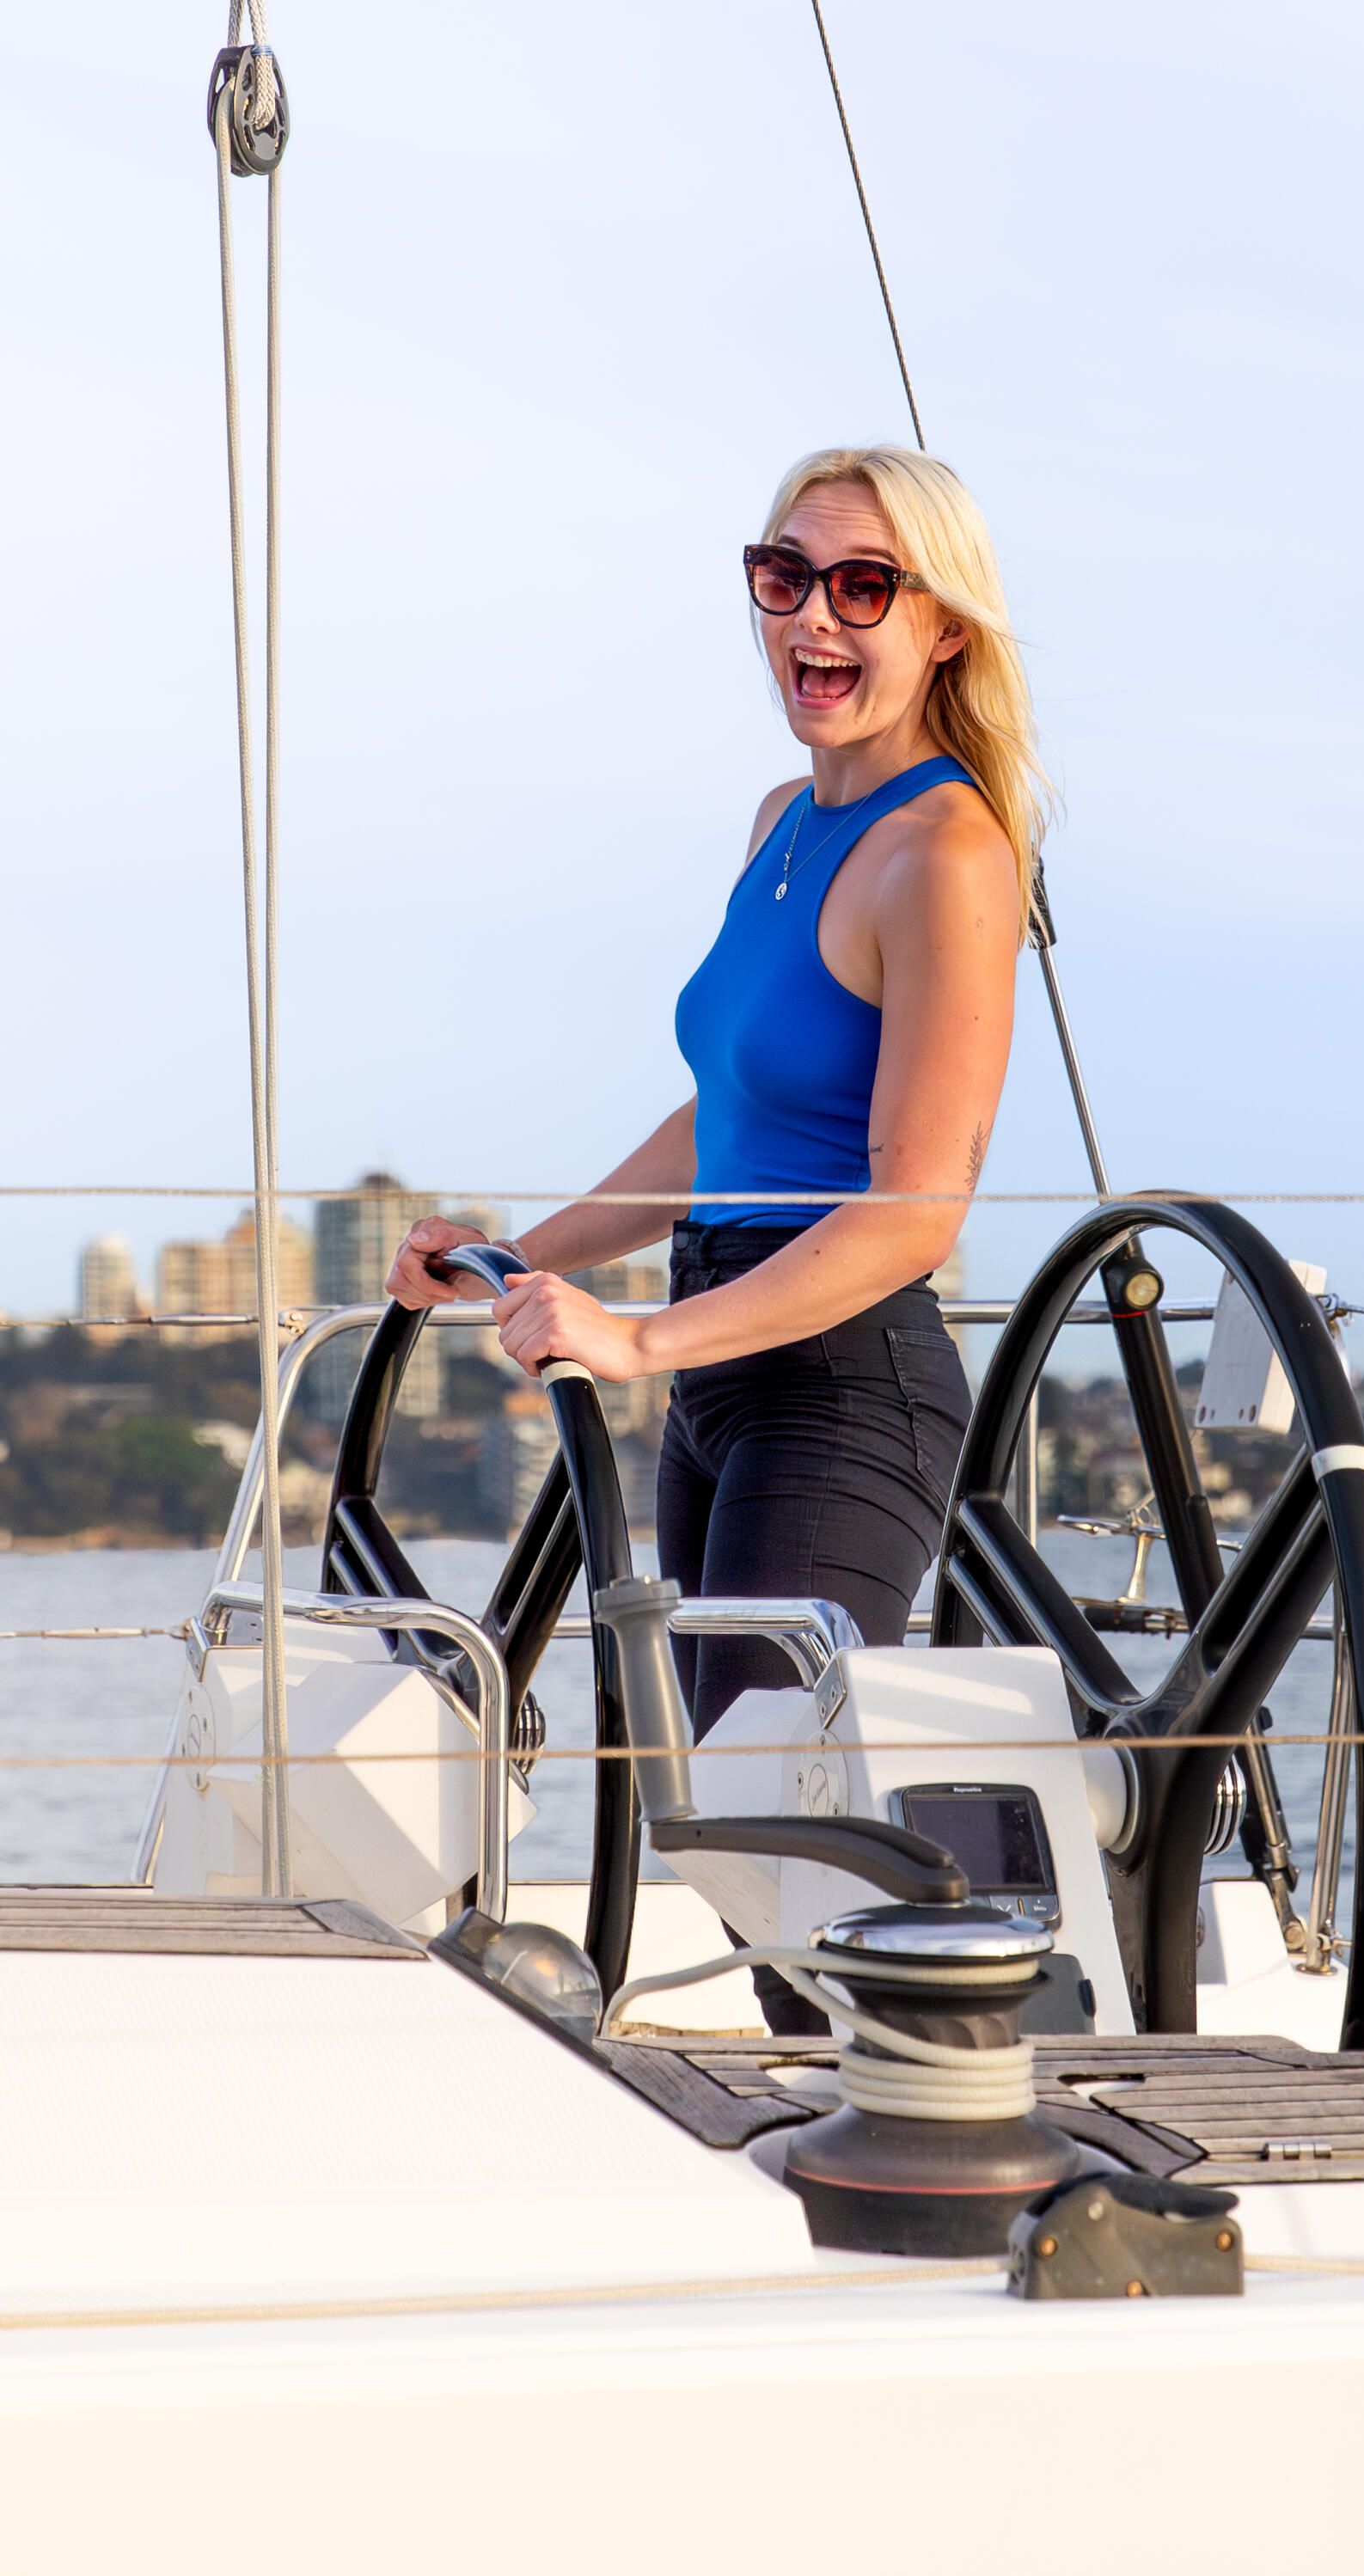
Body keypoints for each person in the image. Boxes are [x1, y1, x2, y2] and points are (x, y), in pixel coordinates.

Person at [388, 444, 1049, 2021]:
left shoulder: (946, 852)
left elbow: (913, 1213)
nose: (816, 618)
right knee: (745, 1846)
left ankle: (932, 2155)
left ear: (942, 624)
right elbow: (720, 1121)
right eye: (785, 577)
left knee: (788, 1855)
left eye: (864, 586)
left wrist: (641, 1342)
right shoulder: (780, 820)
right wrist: (521, 1250)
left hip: (839, 1386)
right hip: (724, 1379)